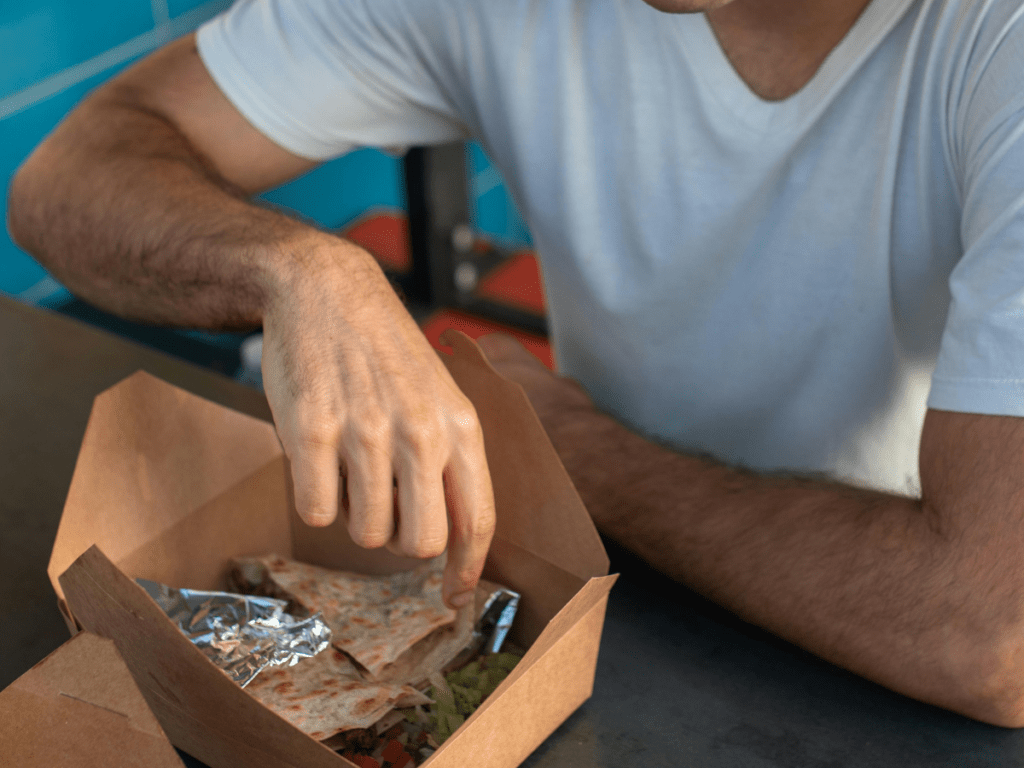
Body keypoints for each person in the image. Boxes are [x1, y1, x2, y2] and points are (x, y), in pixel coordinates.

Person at [9, 0, 1024, 726]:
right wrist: (298, 271)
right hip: (581, 599)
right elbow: (65, 180)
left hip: (890, 667)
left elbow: (994, 639)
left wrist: (571, 447)